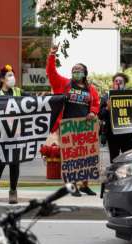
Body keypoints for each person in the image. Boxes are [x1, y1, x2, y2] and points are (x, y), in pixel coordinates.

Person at [46, 44, 100, 196]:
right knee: (70, 156)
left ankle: (84, 184)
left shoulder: (91, 89)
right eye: (74, 70)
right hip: (68, 126)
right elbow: (51, 72)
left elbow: (95, 103)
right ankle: (72, 185)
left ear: (84, 73)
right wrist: (52, 55)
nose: (76, 72)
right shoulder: (64, 84)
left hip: (85, 126)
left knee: (85, 156)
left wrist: (93, 112)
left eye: (79, 70)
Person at [0, 64, 29, 204]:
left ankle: (13, 191)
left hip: (16, 135)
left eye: (13, 75)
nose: (13, 78)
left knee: (14, 164)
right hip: (0, 135)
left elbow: (35, 102)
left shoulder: (18, 92)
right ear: (2, 79)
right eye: (9, 76)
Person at [99, 73, 132, 162]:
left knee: (128, 158)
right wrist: (107, 108)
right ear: (113, 83)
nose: (118, 84)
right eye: (116, 81)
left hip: (127, 134)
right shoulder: (106, 97)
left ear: (125, 84)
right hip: (112, 134)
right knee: (114, 159)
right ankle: (114, 174)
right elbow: (100, 115)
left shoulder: (130, 95)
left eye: (120, 82)